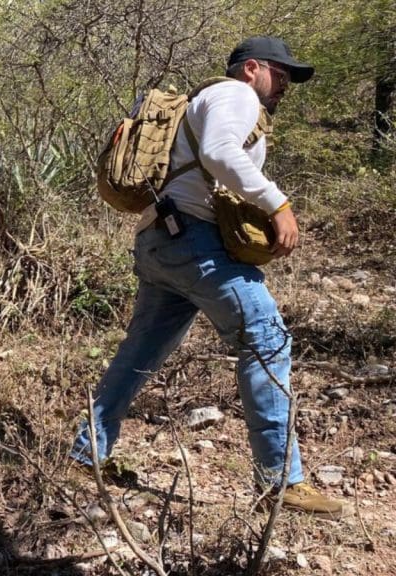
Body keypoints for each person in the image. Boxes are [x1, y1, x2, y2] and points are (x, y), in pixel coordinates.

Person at [70, 37, 344, 516]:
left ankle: (84, 453)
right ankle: (281, 480)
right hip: (193, 241)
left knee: (139, 354)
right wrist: (277, 203)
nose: (284, 86)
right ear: (252, 69)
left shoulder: (207, 99)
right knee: (265, 336)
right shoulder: (236, 95)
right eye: (280, 75)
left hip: (160, 241)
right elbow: (219, 153)